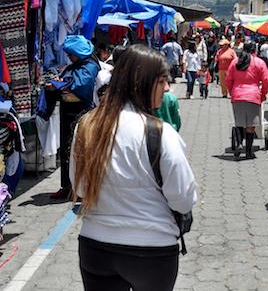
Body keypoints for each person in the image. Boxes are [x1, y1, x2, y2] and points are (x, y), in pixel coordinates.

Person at [70, 45, 197, 291]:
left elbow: (81, 187)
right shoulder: (160, 133)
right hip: (152, 251)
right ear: (142, 82)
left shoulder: (86, 125)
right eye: (161, 81)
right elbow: (182, 199)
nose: (167, 88)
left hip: (96, 246)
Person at [50, 35, 100, 200]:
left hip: (81, 112)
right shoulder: (74, 66)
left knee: (79, 149)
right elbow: (65, 81)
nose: (70, 57)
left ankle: (81, 187)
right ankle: (67, 185)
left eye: (71, 53)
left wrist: (60, 83)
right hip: (67, 111)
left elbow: (80, 84)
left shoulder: (90, 66)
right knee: (66, 149)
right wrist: (57, 84)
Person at [226, 42, 268, 160]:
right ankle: (248, 151)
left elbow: (228, 79)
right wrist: (263, 94)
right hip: (253, 95)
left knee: (239, 122)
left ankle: (239, 143)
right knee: (251, 125)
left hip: (237, 95)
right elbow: (266, 80)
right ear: (254, 50)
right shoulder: (259, 62)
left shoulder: (235, 62)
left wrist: (232, 92)